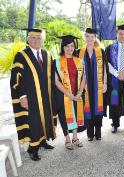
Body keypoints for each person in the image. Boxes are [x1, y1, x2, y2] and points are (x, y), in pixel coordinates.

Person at [10, 28, 55, 161]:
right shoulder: (21, 55)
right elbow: (16, 78)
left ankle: (42, 141)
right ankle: (32, 148)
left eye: (39, 37)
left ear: (42, 40)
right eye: (33, 37)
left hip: (45, 96)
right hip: (31, 96)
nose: (36, 40)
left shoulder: (47, 54)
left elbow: (52, 75)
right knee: (33, 121)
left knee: (44, 118)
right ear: (28, 39)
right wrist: (22, 96)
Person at [54, 35, 85, 150]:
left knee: (76, 113)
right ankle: (67, 138)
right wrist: (68, 94)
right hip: (63, 95)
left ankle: (75, 137)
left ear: (74, 47)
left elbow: (83, 78)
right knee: (64, 115)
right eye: (66, 46)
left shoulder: (79, 61)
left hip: (77, 93)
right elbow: (56, 81)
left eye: (72, 46)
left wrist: (80, 92)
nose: (69, 48)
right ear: (63, 47)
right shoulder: (56, 62)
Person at [78, 28, 108, 141]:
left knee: (98, 108)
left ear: (95, 38)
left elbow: (105, 68)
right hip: (85, 86)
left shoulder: (101, 51)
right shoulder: (79, 51)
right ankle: (90, 133)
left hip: (98, 85)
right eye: (87, 36)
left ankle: (98, 132)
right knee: (87, 108)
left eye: (92, 36)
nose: (90, 39)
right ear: (84, 37)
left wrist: (105, 84)